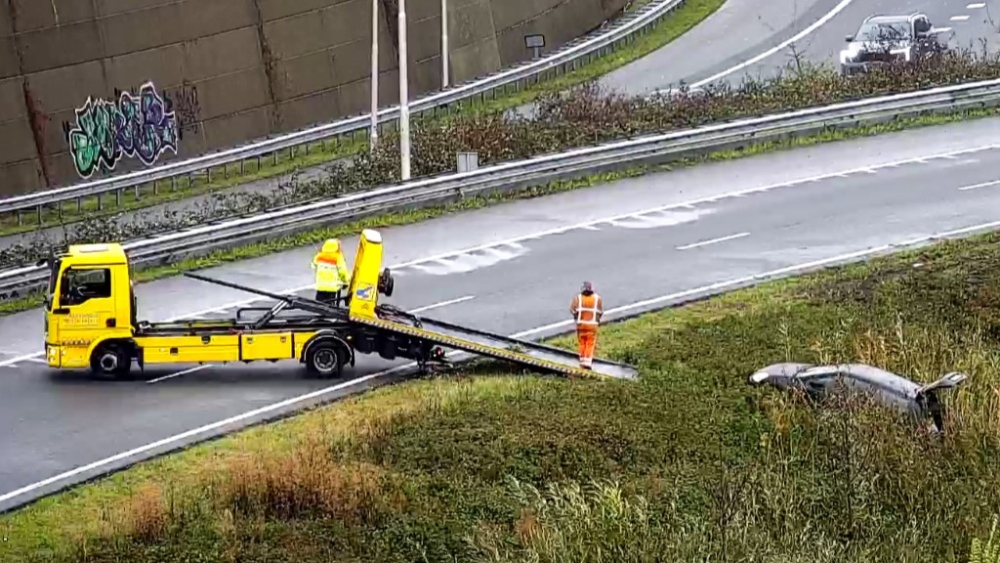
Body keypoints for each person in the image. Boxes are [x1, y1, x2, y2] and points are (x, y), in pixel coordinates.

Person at [570, 281, 604, 369]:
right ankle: (587, 362)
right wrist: (597, 320)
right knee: (590, 343)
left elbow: (572, 310)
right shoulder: (597, 299)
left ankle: (582, 360)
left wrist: (576, 318)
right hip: (592, 326)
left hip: (581, 325)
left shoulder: (578, 298)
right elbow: (600, 312)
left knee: (582, 342)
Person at [312, 238, 350, 305]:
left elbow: (313, 265)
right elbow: (343, 271)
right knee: (330, 303)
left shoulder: (319, 256)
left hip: (320, 285)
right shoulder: (338, 257)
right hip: (332, 286)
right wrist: (346, 281)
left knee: (319, 303)